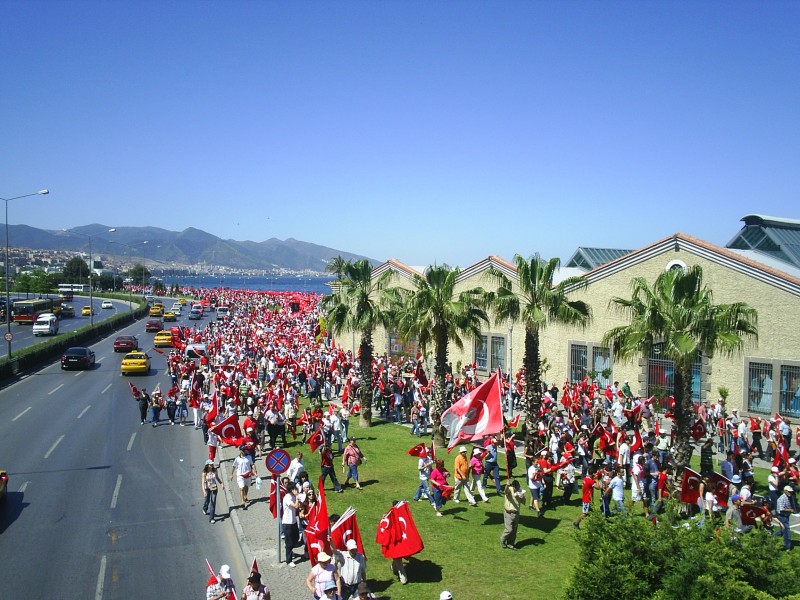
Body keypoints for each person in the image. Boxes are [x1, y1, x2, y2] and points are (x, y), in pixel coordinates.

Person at [500, 479, 525, 550]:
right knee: (509, 529)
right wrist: (507, 485)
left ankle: (510, 543)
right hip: (508, 513)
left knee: (514, 530)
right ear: (513, 486)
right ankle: (502, 539)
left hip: (516, 513)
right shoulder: (509, 489)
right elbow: (505, 491)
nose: (516, 490)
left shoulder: (520, 491)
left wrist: (522, 498)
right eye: (515, 488)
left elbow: (523, 502)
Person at [230, 444, 256, 509]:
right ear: (240, 451)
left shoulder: (249, 457)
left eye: (245, 449)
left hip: (248, 474)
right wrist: (231, 474)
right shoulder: (237, 459)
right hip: (240, 475)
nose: (245, 451)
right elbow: (234, 466)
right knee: (242, 488)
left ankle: (245, 496)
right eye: (243, 450)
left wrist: (255, 471)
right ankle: (242, 502)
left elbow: (252, 464)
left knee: (246, 487)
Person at [281, 481, 301, 568]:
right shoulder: (287, 498)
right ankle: (288, 560)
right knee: (289, 542)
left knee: (296, 537)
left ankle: (289, 548)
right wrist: (297, 497)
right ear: (291, 490)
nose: (295, 490)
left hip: (293, 521)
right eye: (294, 488)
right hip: (287, 523)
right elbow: (295, 506)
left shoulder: (293, 496)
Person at [201, 459, 224, 524]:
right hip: (207, 489)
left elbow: (217, 478)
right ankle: (205, 508)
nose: (212, 465)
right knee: (207, 501)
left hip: (214, 488)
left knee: (213, 502)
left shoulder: (215, 470)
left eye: (212, 464)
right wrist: (204, 491)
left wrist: (221, 483)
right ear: (207, 465)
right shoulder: (204, 473)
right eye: (210, 464)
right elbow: (202, 483)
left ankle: (211, 518)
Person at [776, 485, 794, 550]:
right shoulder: (781, 498)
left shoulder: (788, 497)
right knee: (787, 530)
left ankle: (773, 537)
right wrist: (790, 510)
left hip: (786, 516)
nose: (790, 493)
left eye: (791, 492)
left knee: (783, 531)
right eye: (789, 492)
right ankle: (787, 546)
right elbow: (781, 509)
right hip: (782, 516)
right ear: (785, 491)